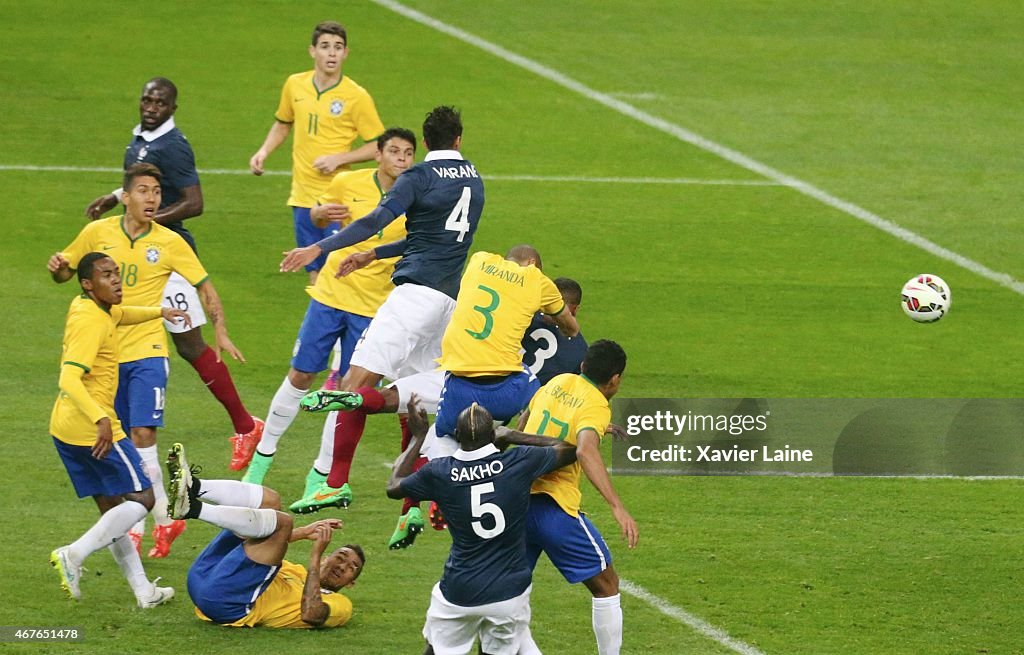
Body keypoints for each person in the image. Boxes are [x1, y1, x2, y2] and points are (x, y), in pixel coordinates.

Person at [278, 105, 484, 523]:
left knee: (352, 385)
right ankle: (427, 500)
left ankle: (332, 485)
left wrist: (320, 247)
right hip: (447, 305)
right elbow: (428, 237)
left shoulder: (418, 177)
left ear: (425, 143)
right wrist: (374, 254)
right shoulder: (475, 180)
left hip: (413, 299)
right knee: (419, 399)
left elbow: (375, 218)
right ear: (458, 140)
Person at [297, 245, 578, 549]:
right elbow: (568, 325)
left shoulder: (480, 261)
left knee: (409, 407)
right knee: (514, 405)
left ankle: (361, 403)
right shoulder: (541, 288)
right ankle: (423, 506)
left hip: (455, 381)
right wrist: (569, 327)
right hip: (504, 392)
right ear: (535, 265)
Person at [49, 162, 245, 559]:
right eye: (143, 190)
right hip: (107, 357)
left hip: (148, 352)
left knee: (142, 435)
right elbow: (67, 272)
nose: (152, 198)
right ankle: (162, 518)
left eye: (156, 191)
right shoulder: (97, 233)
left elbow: (205, 287)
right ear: (125, 196)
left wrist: (220, 330)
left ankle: (139, 527)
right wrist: (57, 268)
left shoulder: (171, 241)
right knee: (120, 439)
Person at [84, 76, 264, 479]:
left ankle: (247, 426)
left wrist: (147, 222)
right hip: (144, 257)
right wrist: (116, 198)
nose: (151, 106)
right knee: (127, 333)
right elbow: (144, 180)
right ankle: (130, 431)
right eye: (146, 99)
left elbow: (194, 202)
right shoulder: (142, 139)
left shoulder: (174, 145)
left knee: (189, 345)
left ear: (172, 108)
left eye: (160, 102)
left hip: (169, 263)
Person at [240, 128, 415, 505]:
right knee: (301, 374)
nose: (402, 158)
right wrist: (319, 214)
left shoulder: (416, 195)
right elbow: (319, 219)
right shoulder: (347, 181)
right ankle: (262, 457)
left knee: (348, 394)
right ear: (378, 156)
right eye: (395, 151)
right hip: (331, 294)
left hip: (373, 309)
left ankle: (320, 476)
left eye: (408, 153)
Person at [48, 251, 186, 608]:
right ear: (87, 283)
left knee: (112, 510)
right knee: (144, 499)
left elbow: (124, 315)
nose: (117, 281)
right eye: (107, 276)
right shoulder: (92, 323)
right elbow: (68, 376)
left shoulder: (92, 308)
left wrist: (161, 312)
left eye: (117, 274)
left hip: (66, 426)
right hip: (91, 428)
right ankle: (73, 554)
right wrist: (101, 419)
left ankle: (144, 592)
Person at [386, 398, 576, 655]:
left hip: (459, 591)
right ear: (492, 435)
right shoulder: (519, 462)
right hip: (509, 592)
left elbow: (394, 486)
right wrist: (513, 435)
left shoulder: (440, 472)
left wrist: (418, 436)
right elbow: (567, 449)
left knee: (437, 648)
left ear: (456, 436)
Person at [520, 340, 638, 655]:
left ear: (583, 366)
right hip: (553, 506)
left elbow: (525, 421)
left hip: (515, 502)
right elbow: (585, 449)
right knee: (607, 585)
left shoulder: (557, 381)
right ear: (614, 379)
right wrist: (617, 507)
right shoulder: (596, 404)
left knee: (510, 594)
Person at [165, 443, 364, 629]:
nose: (342, 566)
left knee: (283, 521)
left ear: (351, 583)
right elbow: (267, 542)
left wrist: (315, 556)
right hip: (202, 576)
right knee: (271, 502)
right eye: (341, 557)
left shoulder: (341, 605)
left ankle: (193, 509)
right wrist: (303, 532)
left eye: (351, 568)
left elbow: (311, 614)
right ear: (328, 559)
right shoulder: (296, 572)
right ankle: (194, 486)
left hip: (224, 604)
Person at [249, 20, 385, 284]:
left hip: (334, 198)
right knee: (313, 271)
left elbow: (379, 145)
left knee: (334, 275)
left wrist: (340, 159)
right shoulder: (294, 85)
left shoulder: (356, 96)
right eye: (325, 46)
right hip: (301, 196)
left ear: (346, 53)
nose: (332, 53)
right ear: (313, 51)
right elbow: (283, 123)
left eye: (338, 47)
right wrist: (263, 151)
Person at [521, 277, 588, 386]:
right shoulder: (581, 349)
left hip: (503, 391)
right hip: (544, 400)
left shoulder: (520, 318)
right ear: (575, 309)